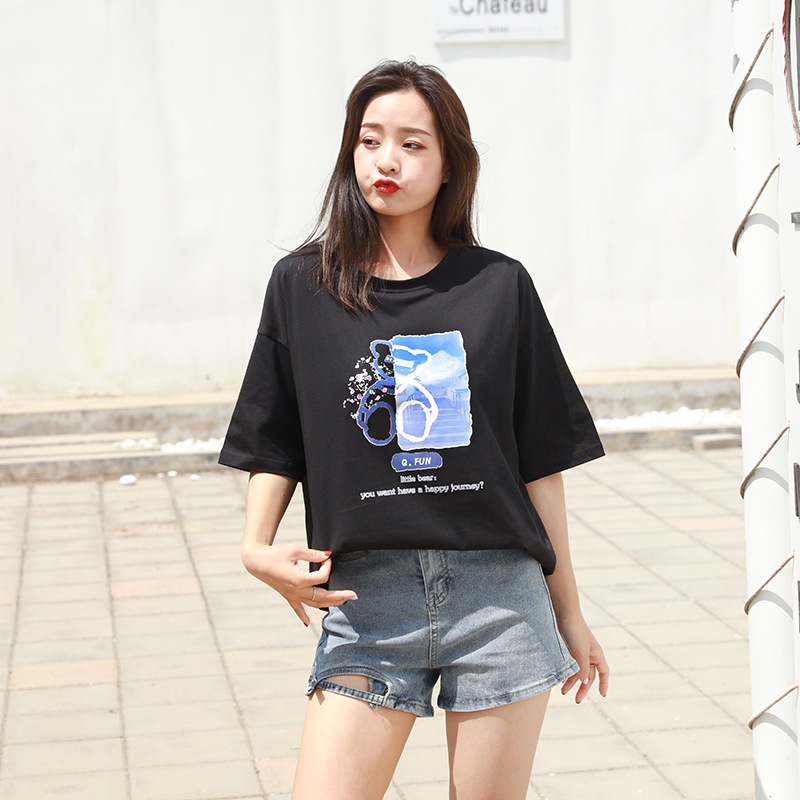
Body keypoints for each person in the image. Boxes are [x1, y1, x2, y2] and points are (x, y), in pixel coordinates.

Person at [219, 59, 609, 800]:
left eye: (411, 143)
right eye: (369, 140)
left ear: (450, 163)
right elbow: (274, 433)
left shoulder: (498, 285)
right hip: (367, 599)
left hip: (499, 598)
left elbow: (539, 462)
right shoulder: (303, 285)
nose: (386, 160)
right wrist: (254, 547)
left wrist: (569, 611)